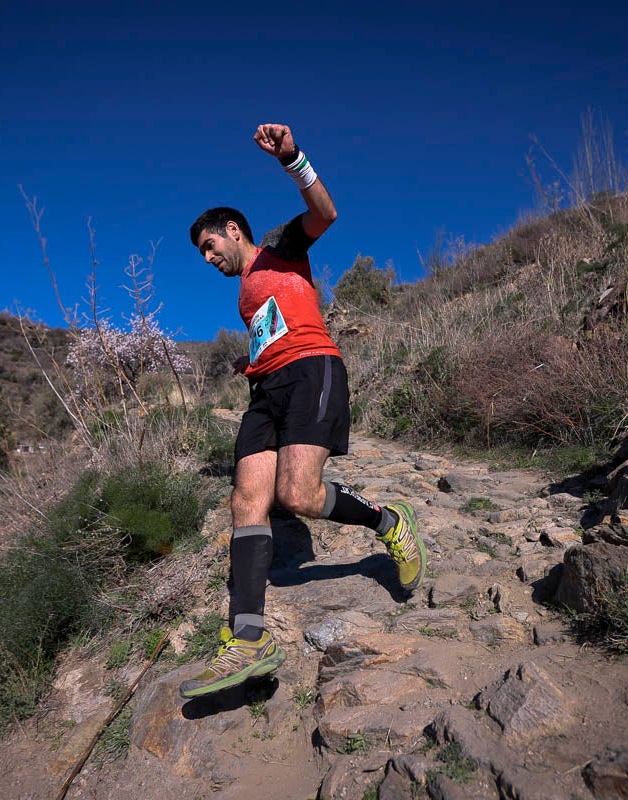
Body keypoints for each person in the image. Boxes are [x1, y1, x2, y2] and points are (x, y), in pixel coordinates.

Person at [179, 123, 427, 699]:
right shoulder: (244, 293)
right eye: (201, 254)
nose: (207, 258)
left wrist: (293, 159)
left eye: (209, 246)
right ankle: (249, 639)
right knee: (246, 499)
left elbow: (325, 212)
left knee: (297, 495)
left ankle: (390, 523)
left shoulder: (280, 250)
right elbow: (268, 328)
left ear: (232, 231)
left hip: (313, 369)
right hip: (265, 389)